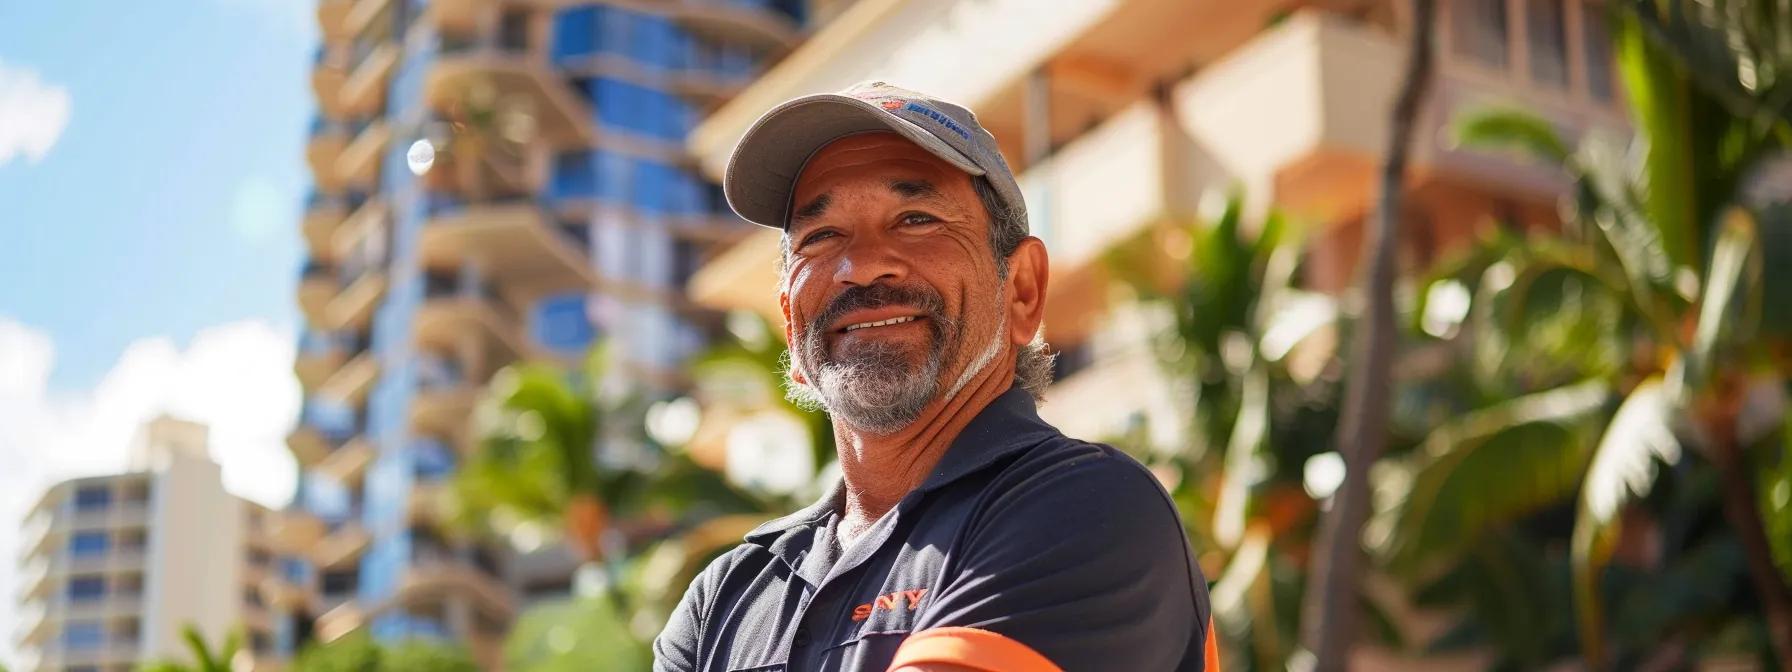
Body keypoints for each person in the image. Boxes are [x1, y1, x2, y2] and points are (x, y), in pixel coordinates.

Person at [653, 81, 1215, 672]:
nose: (861, 265)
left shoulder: (1088, 509)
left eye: (916, 219)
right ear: (791, 327)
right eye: (821, 236)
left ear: (1022, 290)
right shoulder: (725, 600)